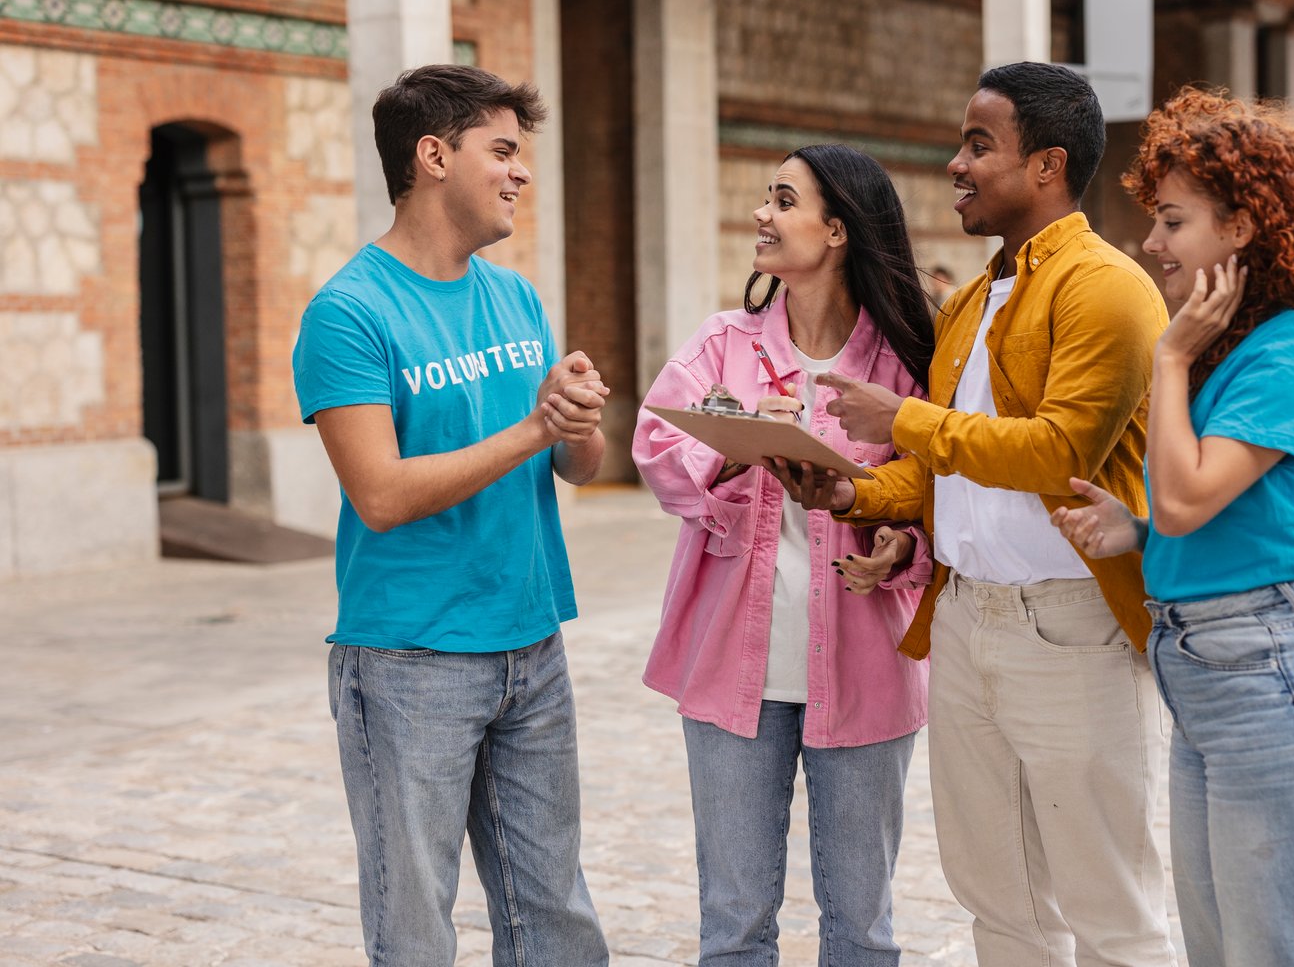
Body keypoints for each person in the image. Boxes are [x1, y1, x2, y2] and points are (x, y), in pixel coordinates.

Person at [781, 64, 1176, 967]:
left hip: (1068, 623)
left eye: (978, 145)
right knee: (996, 899)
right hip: (963, 622)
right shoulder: (970, 300)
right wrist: (855, 493)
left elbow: (1057, 451)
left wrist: (902, 420)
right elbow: (941, 474)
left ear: (1046, 165)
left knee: (1106, 898)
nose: (955, 164)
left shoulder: (1105, 288)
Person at [1051, 87, 1294, 967]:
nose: (1152, 242)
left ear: (1241, 227)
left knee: (1290, 952)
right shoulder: (1241, 348)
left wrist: (1169, 357)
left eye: (1173, 220)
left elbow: (1186, 497)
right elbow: (1225, 514)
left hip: (1278, 670)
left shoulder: (1291, 348)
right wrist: (1135, 536)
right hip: (1219, 670)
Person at [291, 64, 611, 967]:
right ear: (433, 156)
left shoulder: (514, 296)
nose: (521, 172)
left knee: (555, 913)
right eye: (502, 150)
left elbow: (577, 468)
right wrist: (532, 427)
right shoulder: (349, 313)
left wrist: (578, 423)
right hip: (409, 660)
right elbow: (380, 495)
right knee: (417, 923)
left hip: (531, 641)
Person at [633, 144, 936, 966]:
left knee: (862, 930)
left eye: (783, 199)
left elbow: (943, 489)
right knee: (734, 925)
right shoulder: (722, 343)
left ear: (837, 229)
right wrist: (736, 452)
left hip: (869, 669)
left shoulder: (905, 361)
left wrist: (900, 544)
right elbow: (657, 444)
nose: (762, 214)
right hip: (733, 666)